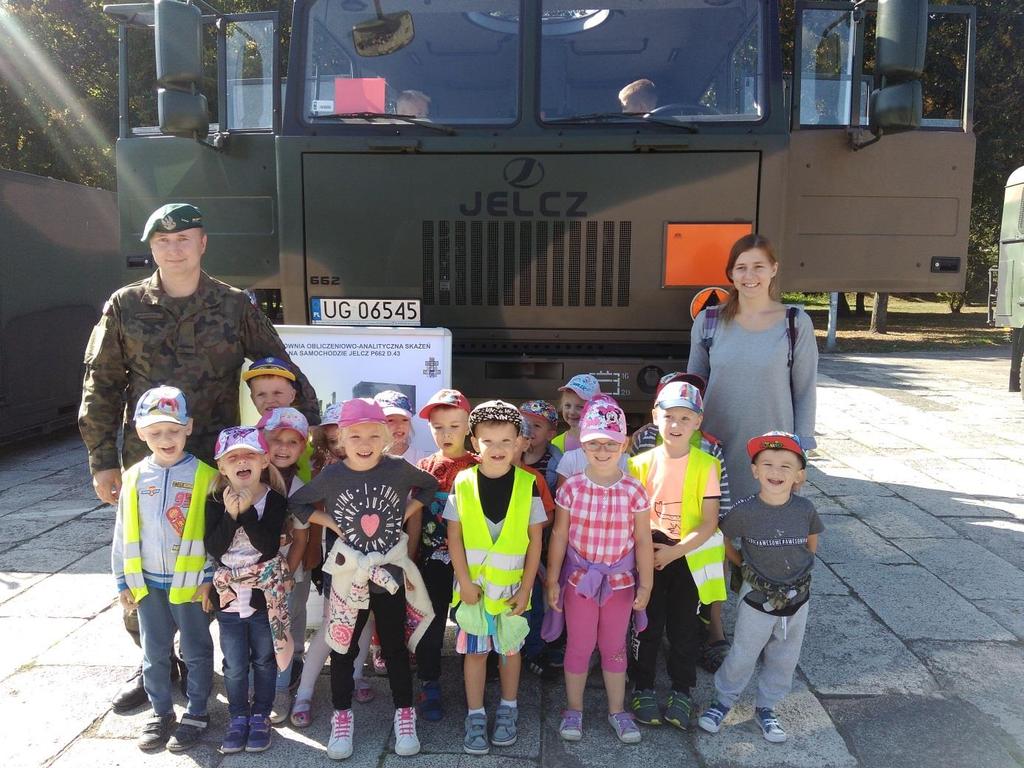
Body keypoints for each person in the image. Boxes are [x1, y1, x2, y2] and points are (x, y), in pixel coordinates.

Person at [80, 202, 319, 710]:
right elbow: (99, 384)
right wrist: (102, 460)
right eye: (163, 241)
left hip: (218, 459)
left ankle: (231, 654)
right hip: (148, 457)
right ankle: (154, 664)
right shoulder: (123, 306)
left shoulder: (235, 305)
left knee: (226, 556)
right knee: (145, 558)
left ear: (202, 243)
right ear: (151, 248)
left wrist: (309, 430)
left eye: (184, 238)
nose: (174, 247)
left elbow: (280, 365)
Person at [288, 398, 439, 760]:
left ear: (386, 435)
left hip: (389, 575)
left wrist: (409, 509)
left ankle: (405, 714)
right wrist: (333, 523)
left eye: (374, 434)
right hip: (348, 576)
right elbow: (299, 503)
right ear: (341, 437)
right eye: (355, 435)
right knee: (343, 648)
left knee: (395, 648)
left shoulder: (398, 469)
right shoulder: (334, 474)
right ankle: (342, 715)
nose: (365, 442)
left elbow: (430, 486)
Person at [698, 432, 824, 744]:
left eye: (786, 465)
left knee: (785, 654)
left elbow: (812, 541)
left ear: (800, 475)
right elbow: (723, 536)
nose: (775, 472)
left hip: (798, 596)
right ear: (755, 471)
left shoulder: (805, 509)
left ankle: (767, 706)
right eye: (766, 464)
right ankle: (723, 700)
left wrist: (799, 569)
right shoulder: (744, 511)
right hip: (757, 597)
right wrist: (741, 563)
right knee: (744, 651)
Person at [110, 386, 216, 753]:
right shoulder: (135, 477)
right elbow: (123, 531)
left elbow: (216, 535)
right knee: (154, 652)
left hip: (190, 584)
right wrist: (122, 579)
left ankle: (198, 711)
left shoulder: (207, 477)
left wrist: (209, 579)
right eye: (155, 432)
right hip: (148, 584)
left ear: (189, 426)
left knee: (196, 650)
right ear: (140, 433)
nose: (165, 439)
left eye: (173, 430)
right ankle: (160, 712)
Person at [545, 397, 653, 744]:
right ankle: (573, 708)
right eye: (594, 443)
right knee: (578, 644)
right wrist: (552, 578)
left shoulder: (635, 489)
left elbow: (642, 541)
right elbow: (560, 534)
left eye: (610, 443)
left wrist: (646, 585)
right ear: (583, 444)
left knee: (614, 645)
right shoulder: (572, 487)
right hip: (580, 582)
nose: (602, 450)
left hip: (620, 584)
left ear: (623, 443)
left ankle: (617, 709)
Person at [445, 401, 545, 756]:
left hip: (513, 591)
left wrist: (528, 587)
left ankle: (508, 707)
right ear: (474, 443)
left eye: (506, 440)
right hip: (473, 590)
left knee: (509, 652)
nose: (498, 449)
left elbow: (535, 543)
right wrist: (464, 582)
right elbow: (454, 537)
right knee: (475, 653)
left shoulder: (528, 485)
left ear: (520, 441)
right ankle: (475, 714)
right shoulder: (462, 482)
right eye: (488, 441)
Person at [687, 233, 818, 503]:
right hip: (717, 444)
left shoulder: (795, 323)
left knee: (765, 529)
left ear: (773, 269)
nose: (750, 275)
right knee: (716, 528)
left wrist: (801, 449)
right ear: (731, 274)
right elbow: (692, 388)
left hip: (773, 451)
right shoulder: (708, 321)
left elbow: (805, 390)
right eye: (741, 267)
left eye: (758, 266)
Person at [626, 381, 727, 730]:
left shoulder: (707, 465)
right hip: (648, 550)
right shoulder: (638, 464)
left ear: (697, 422)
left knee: (684, 627)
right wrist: (649, 553)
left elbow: (709, 522)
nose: (676, 424)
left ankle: (682, 689)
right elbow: (632, 516)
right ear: (655, 416)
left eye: (685, 417)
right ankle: (642, 685)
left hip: (687, 554)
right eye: (669, 416)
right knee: (647, 623)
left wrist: (674, 553)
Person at [205, 426, 292, 754]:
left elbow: (268, 546)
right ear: (222, 467)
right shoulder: (214, 501)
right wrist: (229, 514)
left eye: (250, 454)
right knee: (234, 662)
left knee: (265, 659)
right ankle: (238, 715)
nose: (242, 460)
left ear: (264, 460)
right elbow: (214, 546)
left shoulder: (274, 500)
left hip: (263, 595)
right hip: (227, 596)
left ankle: (260, 715)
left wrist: (244, 513)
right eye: (233, 457)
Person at [409, 388, 478, 721]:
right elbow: (415, 516)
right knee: (432, 621)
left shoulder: (480, 465)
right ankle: (429, 680)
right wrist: (410, 558)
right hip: (432, 559)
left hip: (473, 561)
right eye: (438, 427)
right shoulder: (424, 467)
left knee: (473, 619)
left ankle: (477, 677)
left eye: (454, 425)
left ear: (468, 426)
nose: (446, 433)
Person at [257, 408, 314, 725]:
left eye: (292, 441)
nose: (282, 447)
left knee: (288, 621)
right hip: (253, 575)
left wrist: (287, 576)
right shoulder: (248, 476)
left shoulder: (299, 487)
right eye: (275, 439)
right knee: (261, 628)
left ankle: (282, 686)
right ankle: (264, 681)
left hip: (290, 573)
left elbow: (303, 540)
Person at [245, 356, 316, 482]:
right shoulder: (243, 447)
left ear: (292, 395)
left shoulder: (314, 449)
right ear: (252, 398)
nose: (270, 400)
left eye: (277, 393)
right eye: (261, 394)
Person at [375, 390, 430, 465]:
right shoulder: (369, 457)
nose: (400, 425)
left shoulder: (421, 459)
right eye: (391, 420)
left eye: (405, 420)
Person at [519, 400, 563, 494]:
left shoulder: (554, 464)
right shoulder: (514, 454)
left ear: (550, 435)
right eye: (525, 423)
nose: (528, 429)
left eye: (537, 425)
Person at [552, 374, 602, 453]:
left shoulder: (603, 442)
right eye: (568, 406)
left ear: (595, 409)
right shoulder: (556, 443)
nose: (572, 412)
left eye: (580, 407)